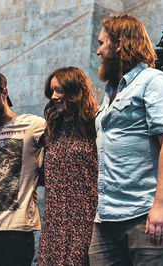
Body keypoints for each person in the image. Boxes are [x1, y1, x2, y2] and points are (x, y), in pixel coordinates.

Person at [88, 14, 163, 265]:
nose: (98, 51)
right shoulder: (111, 92)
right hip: (106, 217)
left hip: (145, 214)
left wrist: (161, 205)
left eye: (102, 43)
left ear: (119, 44)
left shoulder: (154, 82)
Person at [0, 68, 45, 266]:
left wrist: (40, 177)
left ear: (4, 93)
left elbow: (64, 144)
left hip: (16, 232)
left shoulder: (32, 125)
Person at [37, 67, 98, 265]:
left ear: (75, 92)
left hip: (85, 220)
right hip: (54, 221)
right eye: (52, 91)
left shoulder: (95, 126)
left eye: (59, 90)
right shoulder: (52, 130)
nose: (54, 97)